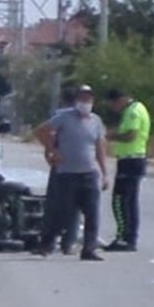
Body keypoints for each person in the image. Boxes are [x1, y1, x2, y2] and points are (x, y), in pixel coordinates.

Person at [34, 85, 110, 262]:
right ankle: (47, 243)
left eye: (89, 99)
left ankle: (89, 249)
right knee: (64, 212)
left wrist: (105, 173)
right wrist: (52, 150)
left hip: (89, 174)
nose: (86, 103)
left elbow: (100, 148)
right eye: (82, 99)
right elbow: (41, 131)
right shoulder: (65, 117)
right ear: (77, 101)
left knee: (92, 213)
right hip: (67, 174)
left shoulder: (96, 121)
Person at [104, 88, 151, 253]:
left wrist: (111, 137)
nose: (114, 108)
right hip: (132, 159)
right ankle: (129, 237)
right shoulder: (135, 109)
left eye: (114, 104)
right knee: (130, 202)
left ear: (121, 99)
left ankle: (123, 237)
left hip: (131, 160)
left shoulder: (133, 111)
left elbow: (131, 135)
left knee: (120, 200)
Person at [39, 87, 81, 253]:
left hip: (60, 164)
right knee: (74, 206)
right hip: (78, 166)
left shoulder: (59, 115)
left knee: (54, 205)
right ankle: (68, 242)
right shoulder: (83, 117)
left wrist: (49, 154)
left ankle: (48, 243)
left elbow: (49, 135)